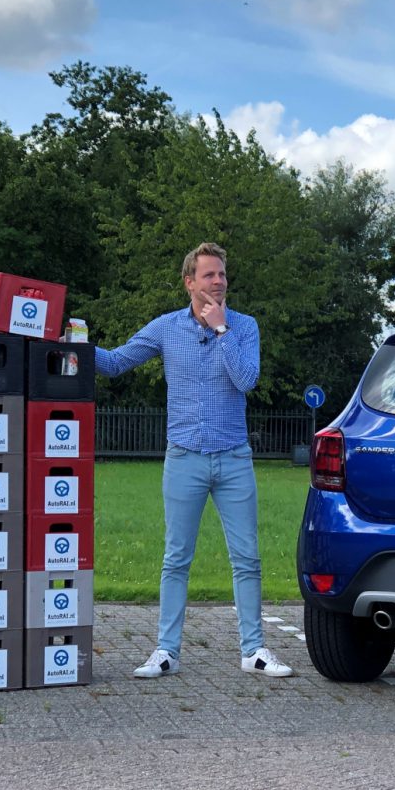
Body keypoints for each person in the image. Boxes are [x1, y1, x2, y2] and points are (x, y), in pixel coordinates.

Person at [95, 242, 293, 678]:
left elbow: (246, 380)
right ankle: (166, 652)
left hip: (234, 457)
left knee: (247, 558)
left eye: (222, 274)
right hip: (184, 457)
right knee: (175, 558)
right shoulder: (166, 328)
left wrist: (222, 330)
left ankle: (254, 651)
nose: (218, 281)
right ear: (190, 282)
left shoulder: (244, 326)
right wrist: (64, 341)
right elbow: (113, 363)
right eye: (209, 275)